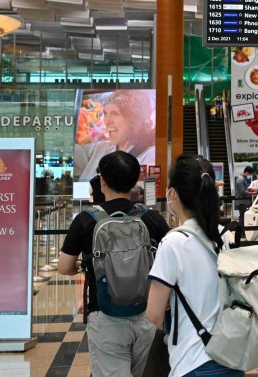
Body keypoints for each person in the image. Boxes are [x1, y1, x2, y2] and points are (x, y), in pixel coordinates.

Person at [58, 151, 169, 377]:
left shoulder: (86, 220)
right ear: (134, 181)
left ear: (102, 181)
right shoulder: (150, 218)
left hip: (105, 316)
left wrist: (82, 265)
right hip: (146, 315)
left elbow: (64, 266)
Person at [146, 156, 237, 377]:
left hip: (193, 362)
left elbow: (153, 314)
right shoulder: (227, 236)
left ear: (173, 194)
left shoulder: (173, 243)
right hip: (233, 356)